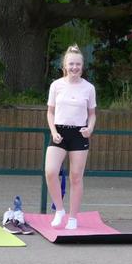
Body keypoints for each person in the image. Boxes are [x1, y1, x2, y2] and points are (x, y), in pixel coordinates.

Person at [43, 44, 97, 230]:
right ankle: (59, 210)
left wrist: (90, 128)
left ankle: (73, 217)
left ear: (82, 66)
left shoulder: (88, 88)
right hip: (59, 132)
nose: (74, 67)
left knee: (76, 177)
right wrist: (53, 131)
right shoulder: (56, 85)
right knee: (50, 172)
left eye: (78, 64)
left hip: (79, 134)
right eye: (71, 64)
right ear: (64, 66)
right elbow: (50, 112)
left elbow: (92, 114)